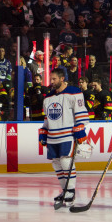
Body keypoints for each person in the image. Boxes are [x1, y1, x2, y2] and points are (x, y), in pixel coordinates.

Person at [38, 67, 89, 207]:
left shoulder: (74, 92)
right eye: (51, 79)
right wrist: (44, 130)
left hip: (67, 135)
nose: (52, 82)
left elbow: (81, 113)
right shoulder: (48, 97)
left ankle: (71, 190)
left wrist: (80, 128)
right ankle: (64, 190)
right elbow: (47, 119)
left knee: (66, 162)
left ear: (62, 78)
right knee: (56, 164)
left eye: (54, 79)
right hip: (53, 136)